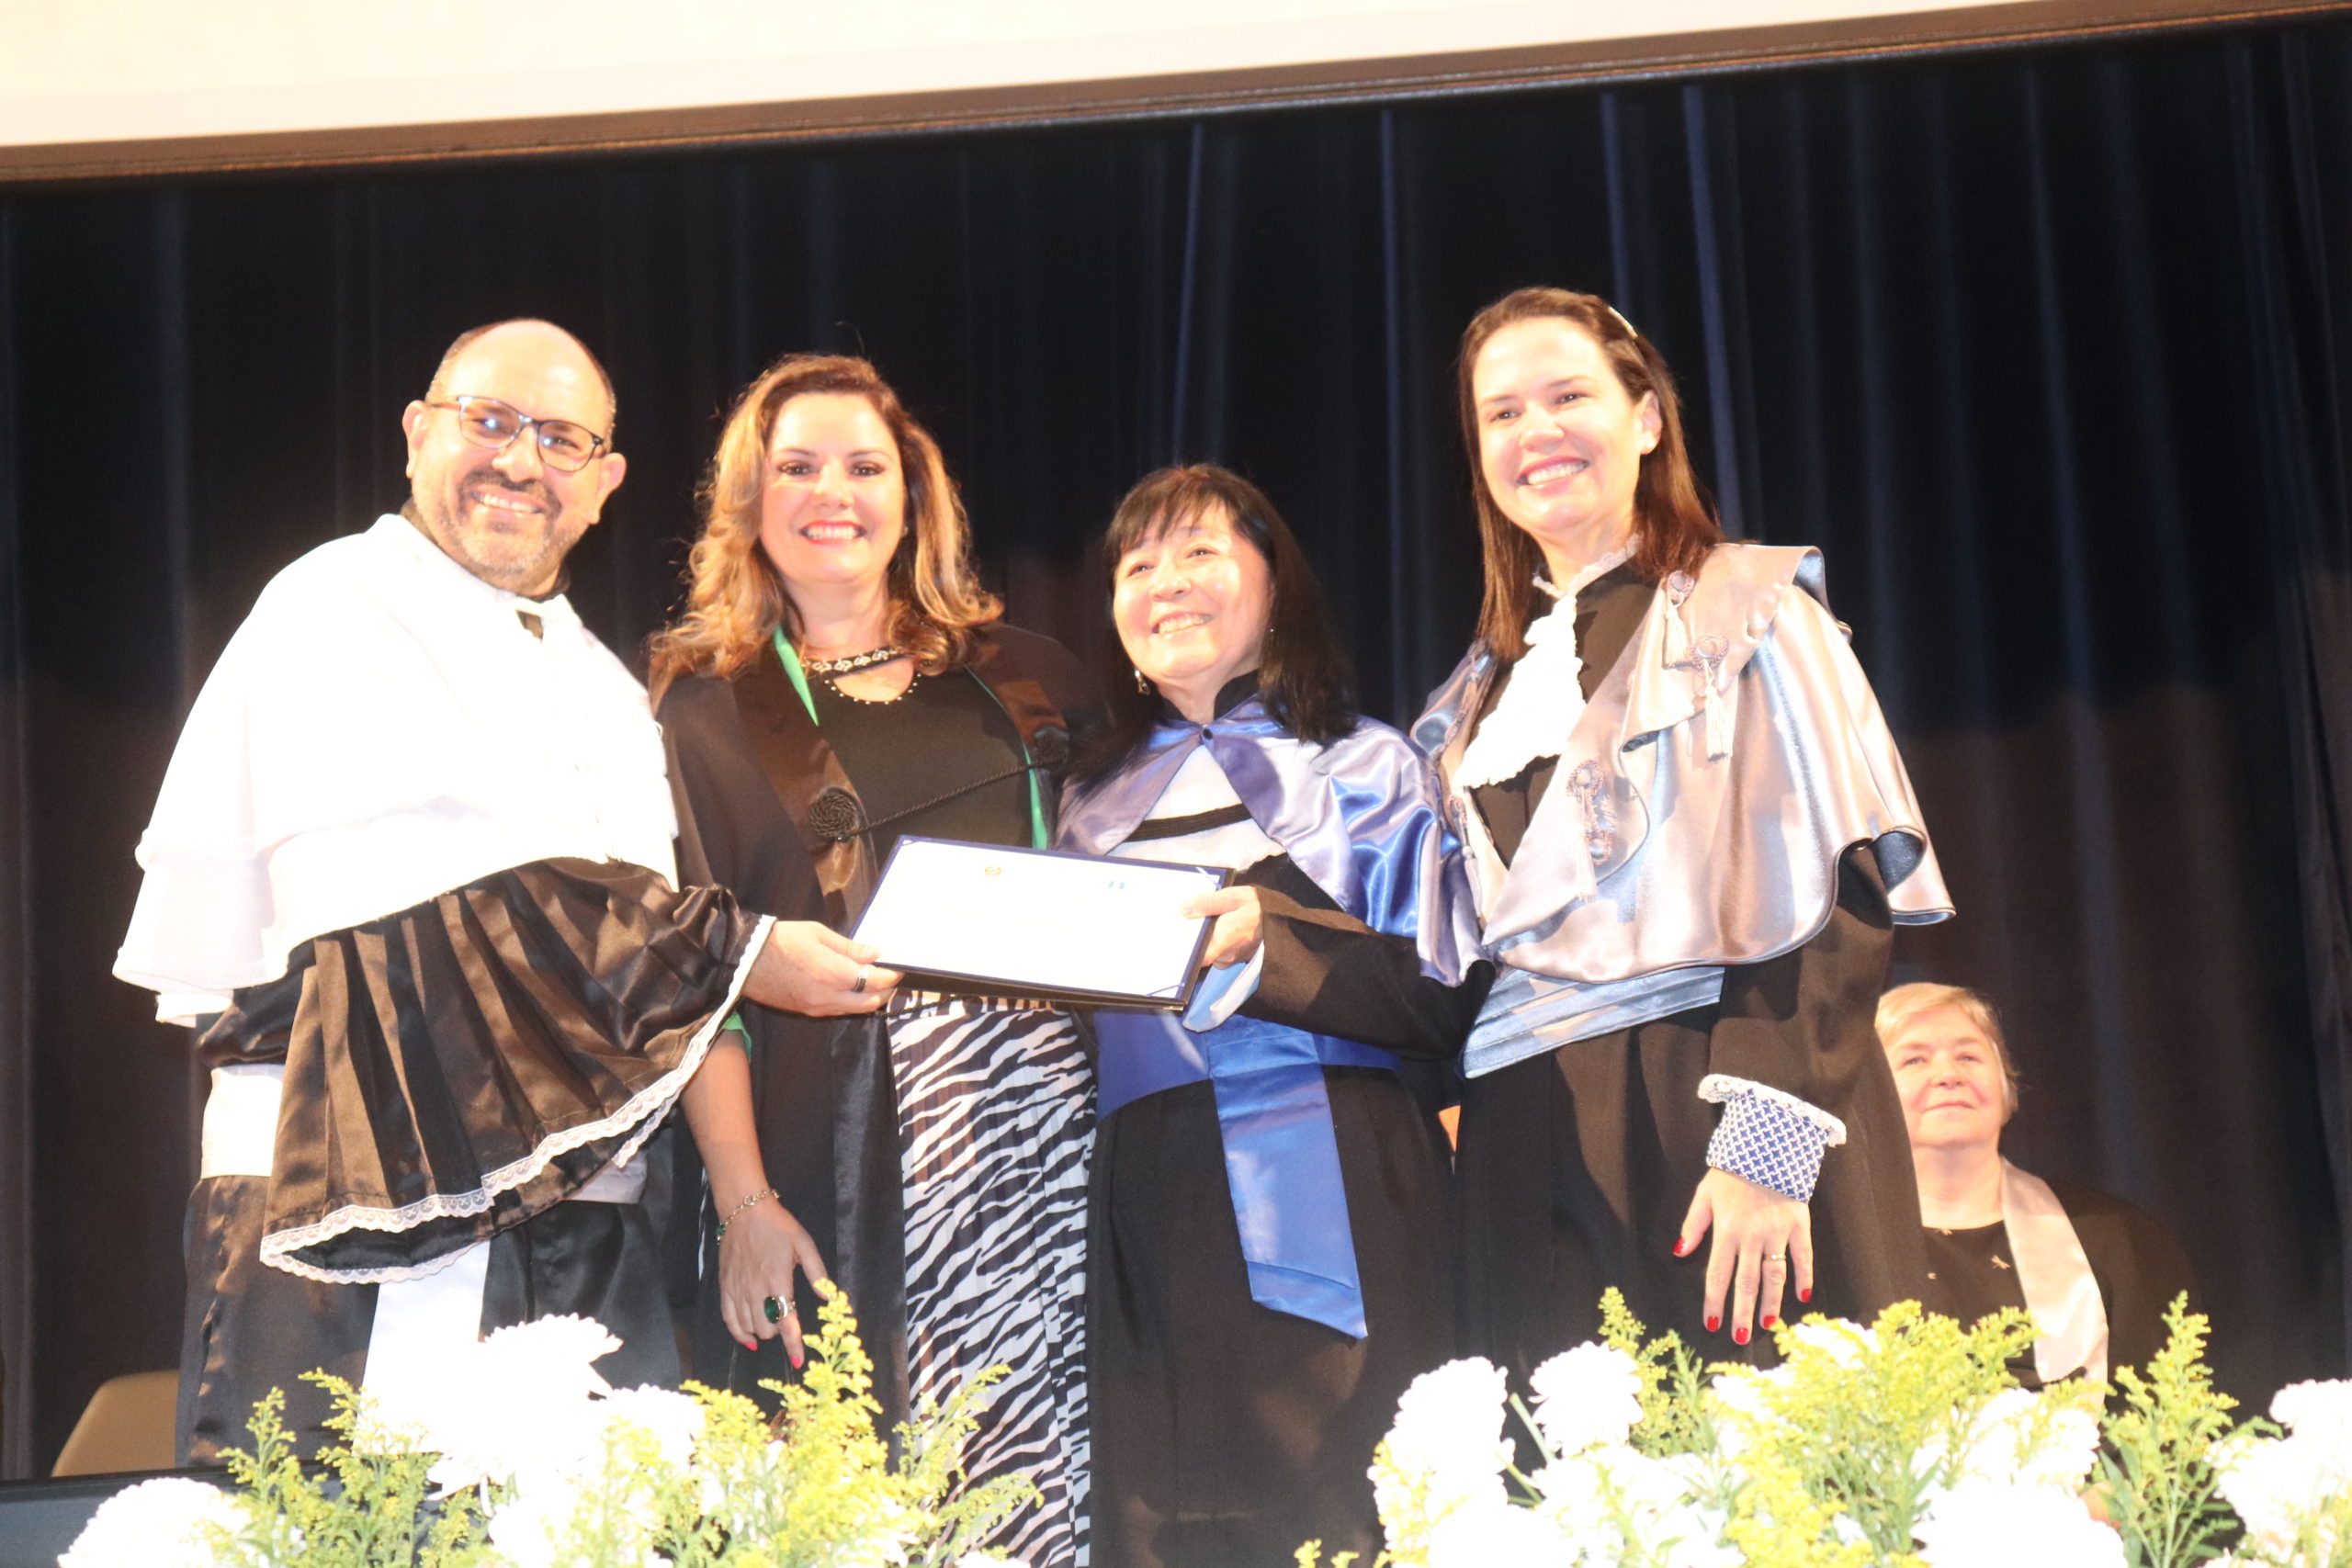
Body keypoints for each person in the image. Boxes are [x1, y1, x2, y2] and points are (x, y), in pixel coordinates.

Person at [114, 320, 888, 1464]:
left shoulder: (605, 686)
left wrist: (740, 1190)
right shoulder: (335, 605)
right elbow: (461, 912)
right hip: (354, 1207)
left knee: (594, 1533)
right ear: (416, 433)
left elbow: (645, 986)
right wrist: (752, 950)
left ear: (605, 483)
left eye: (562, 439)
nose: (522, 460)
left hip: (586, 1223)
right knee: (352, 1530)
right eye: (489, 421)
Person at [1416, 287, 1956, 1382]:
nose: (1536, 431)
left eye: (1569, 397)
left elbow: (1837, 890)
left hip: (1711, 1089)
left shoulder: (1745, 609)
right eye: (1502, 414)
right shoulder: (1467, 699)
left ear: (1647, 418)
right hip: (1526, 1139)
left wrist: (1767, 1142)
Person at [649, 354, 1098, 1565]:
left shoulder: (1030, 676)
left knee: (1050, 1491)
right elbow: (690, 982)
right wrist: (744, 1204)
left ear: (913, 495)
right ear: (749, 499)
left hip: (1049, 1158)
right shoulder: (697, 709)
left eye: (864, 466)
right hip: (826, 1161)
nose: (831, 493)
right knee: (852, 1499)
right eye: (796, 467)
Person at [1057, 465, 1488, 1568]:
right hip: (1146, 1189)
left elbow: (1446, 994)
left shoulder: (1369, 766)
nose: (1166, 582)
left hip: (1339, 1168)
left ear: (1274, 582)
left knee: (1341, 1505)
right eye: (1137, 565)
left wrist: (1272, 941)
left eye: (1200, 551)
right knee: (1159, 1513)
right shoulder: (1086, 801)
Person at [1876, 982, 2198, 1384]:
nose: (1948, 1075)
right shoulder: (1831, 1252)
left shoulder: (2121, 1242)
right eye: (1914, 1060)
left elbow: (2162, 1411)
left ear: (2006, 1087)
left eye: (1968, 1056)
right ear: (1868, 1099)